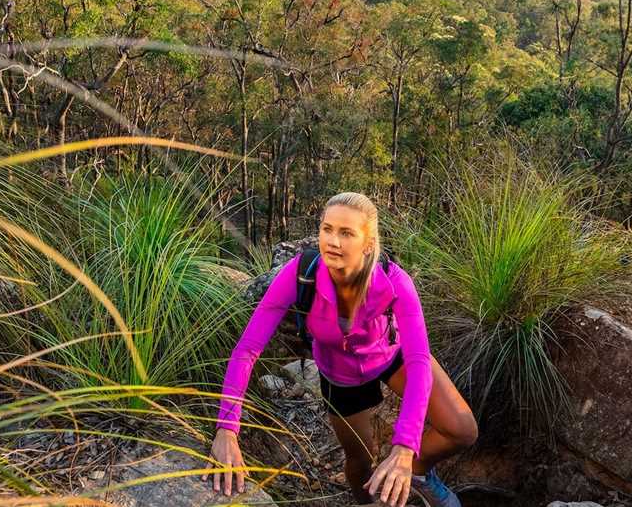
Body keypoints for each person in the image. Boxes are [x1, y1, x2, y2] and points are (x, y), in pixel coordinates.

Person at [201, 192, 478, 507]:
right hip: (340, 376)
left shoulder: (395, 282)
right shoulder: (299, 274)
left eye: (346, 233)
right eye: (327, 228)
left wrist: (404, 448)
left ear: (368, 243)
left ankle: (418, 472)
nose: (333, 240)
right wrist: (227, 428)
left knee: (462, 429)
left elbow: (417, 361)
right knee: (360, 462)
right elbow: (247, 350)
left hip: (391, 355)